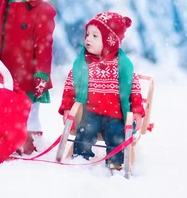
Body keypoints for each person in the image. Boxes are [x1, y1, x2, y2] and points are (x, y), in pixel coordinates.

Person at [0, 0, 57, 155]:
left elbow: (44, 45)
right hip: (1, 65)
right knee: (1, 106)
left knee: (28, 109)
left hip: (26, 71)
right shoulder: (2, 1)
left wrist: (41, 73)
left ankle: (29, 142)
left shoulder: (42, 11)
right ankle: (2, 141)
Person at [58, 12, 145, 170]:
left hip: (115, 115)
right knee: (85, 132)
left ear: (110, 41)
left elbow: (134, 90)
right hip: (90, 113)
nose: (88, 39)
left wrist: (137, 111)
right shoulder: (83, 64)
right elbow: (70, 86)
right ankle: (80, 159)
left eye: (95, 35)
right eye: (88, 34)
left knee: (117, 135)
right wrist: (67, 109)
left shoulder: (122, 66)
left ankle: (115, 163)